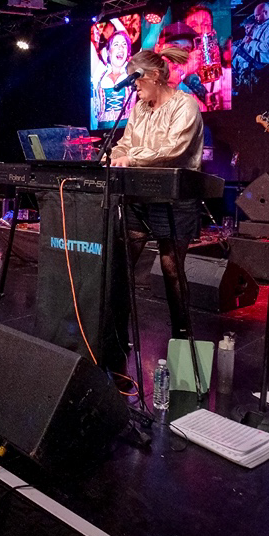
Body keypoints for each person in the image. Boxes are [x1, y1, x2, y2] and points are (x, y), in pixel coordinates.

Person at [110, 47, 204, 340]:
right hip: (140, 194)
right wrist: (117, 155)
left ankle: (182, 335)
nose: (134, 87)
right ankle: (116, 334)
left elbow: (173, 148)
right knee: (123, 262)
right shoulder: (139, 109)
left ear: (153, 76)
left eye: (136, 80)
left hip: (175, 197)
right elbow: (125, 143)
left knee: (170, 266)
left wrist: (132, 158)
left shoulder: (185, 105)